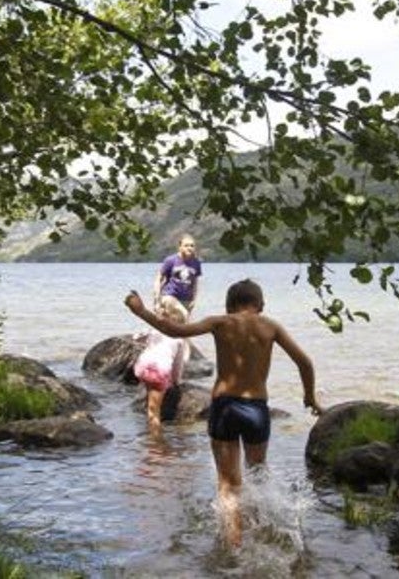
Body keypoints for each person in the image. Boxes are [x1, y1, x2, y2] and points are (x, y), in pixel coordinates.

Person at [124, 279, 324, 548]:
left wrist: (140, 311)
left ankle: (233, 545)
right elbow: (305, 362)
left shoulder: (220, 322)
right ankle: (262, 532)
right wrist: (310, 396)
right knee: (257, 473)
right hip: (256, 409)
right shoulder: (271, 326)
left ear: (229, 306)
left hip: (225, 407)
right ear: (261, 305)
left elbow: (172, 329)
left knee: (228, 485)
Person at [133, 296, 191, 436]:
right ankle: (156, 444)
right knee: (154, 413)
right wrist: (176, 381)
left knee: (150, 398)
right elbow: (178, 364)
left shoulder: (155, 330)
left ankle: (148, 406)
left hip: (142, 368)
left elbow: (137, 338)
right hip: (158, 372)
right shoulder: (179, 339)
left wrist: (140, 336)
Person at [154, 234, 202, 314]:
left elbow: (195, 283)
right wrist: (157, 300)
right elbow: (158, 279)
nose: (189, 248)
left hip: (186, 300)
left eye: (192, 246)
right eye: (186, 245)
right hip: (170, 296)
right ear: (180, 247)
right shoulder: (171, 260)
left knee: (181, 325)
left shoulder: (196, 263)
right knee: (184, 315)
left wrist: (194, 300)